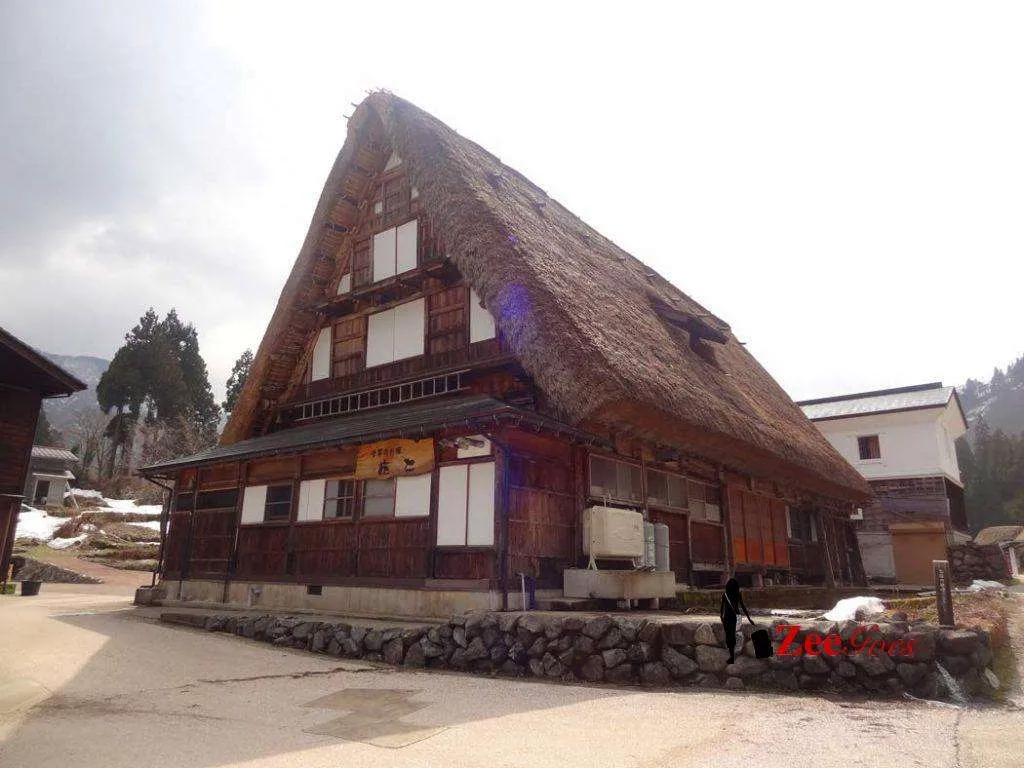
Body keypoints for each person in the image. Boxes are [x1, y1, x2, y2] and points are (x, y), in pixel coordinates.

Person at [720, 577, 755, 664]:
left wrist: (721, 617)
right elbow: (743, 607)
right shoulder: (737, 594)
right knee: (735, 633)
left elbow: (722, 608)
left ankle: (732, 655)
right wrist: (749, 618)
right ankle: (736, 652)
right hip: (737, 616)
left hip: (728, 617)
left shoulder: (725, 595)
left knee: (730, 635)